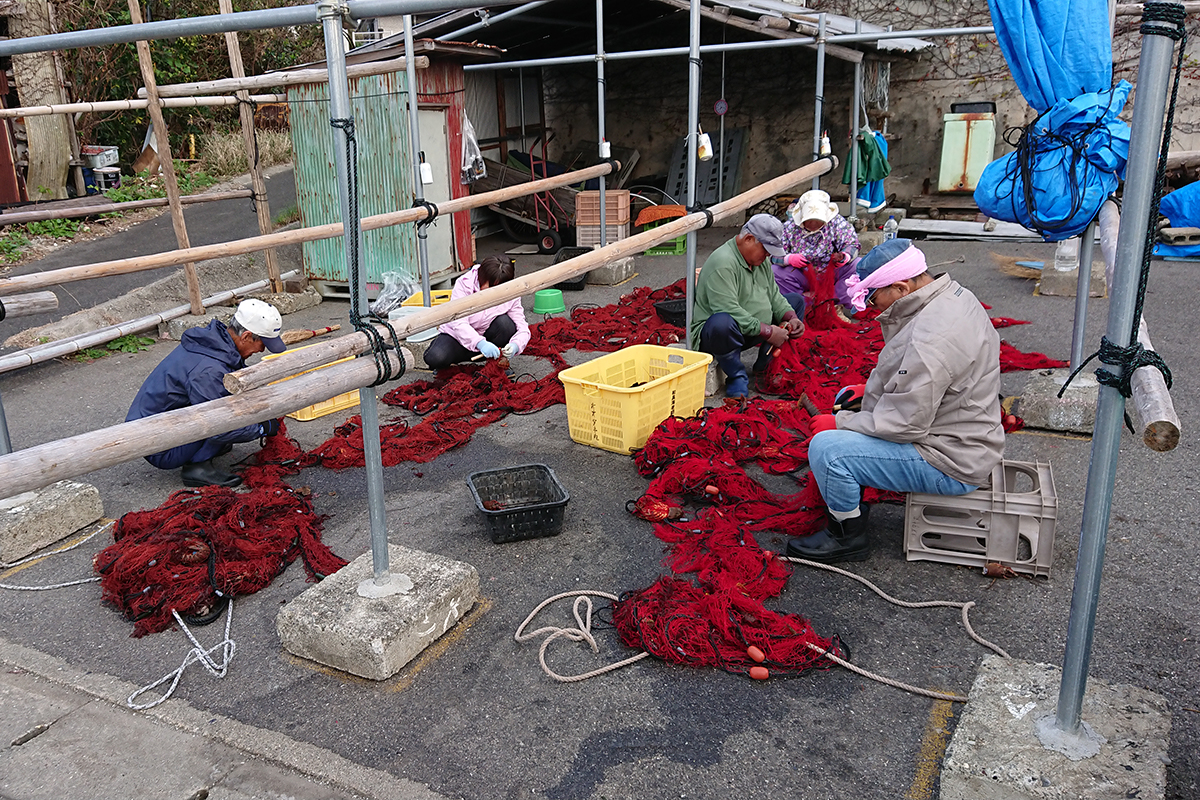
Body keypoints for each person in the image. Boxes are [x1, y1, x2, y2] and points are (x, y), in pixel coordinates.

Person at [786, 238, 1004, 563]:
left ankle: (846, 535)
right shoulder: (954, 296)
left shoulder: (930, 338)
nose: (872, 306)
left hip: (950, 461)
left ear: (901, 288)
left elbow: (906, 424)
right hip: (968, 436)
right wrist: (868, 393)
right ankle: (852, 496)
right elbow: (922, 380)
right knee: (849, 411)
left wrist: (840, 423)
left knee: (827, 450)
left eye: (874, 296)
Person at [126, 298, 287, 488]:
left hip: (157, 423)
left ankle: (202, 450)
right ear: (246, 336)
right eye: (262, 343)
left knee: (229, 406)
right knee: (223, 425)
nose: (261, 349)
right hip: (159, 445)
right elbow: (220, 425)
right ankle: (197, 467)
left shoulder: (215, 344)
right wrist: (260, 428)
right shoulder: (208, 370)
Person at [691, 214, 806, 398]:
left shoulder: (760, 261)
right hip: (720, 335)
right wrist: (769, 332)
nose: (768, 255)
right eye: (765, 249)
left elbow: (774, 295)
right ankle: (737, 376)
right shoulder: (723, 263)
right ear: (748, 239)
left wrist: (791, 317)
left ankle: (764, 366)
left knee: (796, 302)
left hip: (751, 328)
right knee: (721, 322)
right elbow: (729, 310)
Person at [423, 255, 531, 370]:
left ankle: (497, 363)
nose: (493, 291)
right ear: (482, 276)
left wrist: (516, 345)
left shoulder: (511, 291)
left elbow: (522, 327)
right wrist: (480, 343)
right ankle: (451, 362)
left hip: (488, 336)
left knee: (506, 324)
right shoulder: (464, 284)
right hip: (457, 337)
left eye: (498, 287)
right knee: (435, 357)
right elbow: (458, 323)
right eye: (490, 285)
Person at [774, 189, 860, 306]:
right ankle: (802, 306)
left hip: (832, 273)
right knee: (776, 272)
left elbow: (852, 244)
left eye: (818, 221)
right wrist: (788, 259)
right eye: (809, 221)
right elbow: (773, 253)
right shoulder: (789, 227)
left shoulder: (837, 223)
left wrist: (844, 256)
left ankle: (836, 304)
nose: (813, 225)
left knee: (857, 265)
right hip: (803, 274)